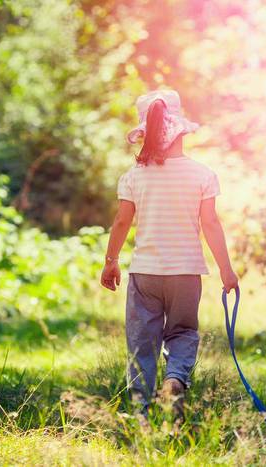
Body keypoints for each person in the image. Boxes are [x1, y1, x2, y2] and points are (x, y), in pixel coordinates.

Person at [100, 89, 238, 423]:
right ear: (180, 130)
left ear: (145, 133)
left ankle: (142, 415)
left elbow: (122, 221)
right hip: (186, 273)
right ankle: (175, 378)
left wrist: (111, 261)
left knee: (141, 343)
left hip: (145, 273)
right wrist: (226, 271)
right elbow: (211, 224)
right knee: (183, 333)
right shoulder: (202, 175)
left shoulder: (134, 177)